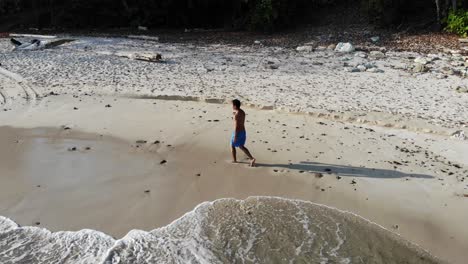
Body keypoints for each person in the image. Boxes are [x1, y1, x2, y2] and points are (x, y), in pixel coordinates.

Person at [231, 99, 256, 167]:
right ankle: (251, 158)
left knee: (232, 145)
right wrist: (235, 114)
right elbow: (240, 118)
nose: (232, 106)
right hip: (243, 132)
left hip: (238, 132)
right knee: (241, 146)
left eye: (233, 105)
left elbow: (237, 126)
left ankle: (234, 160)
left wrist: (235, 136)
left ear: (235, 106)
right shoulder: (242, 112)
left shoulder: (237, 115)